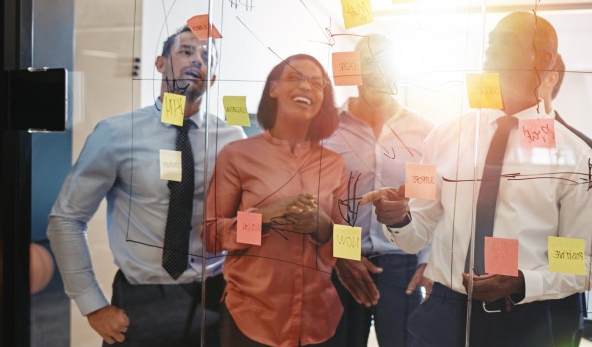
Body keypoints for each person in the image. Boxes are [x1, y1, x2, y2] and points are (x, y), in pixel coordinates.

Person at [371, 11, 592, 347]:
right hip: (442, 314)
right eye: (489, 42)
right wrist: (399, 219)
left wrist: (523, 282)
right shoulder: (444, 136)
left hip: (524, 321)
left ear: (544, 59)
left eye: (505, 41)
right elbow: (415, 236)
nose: (489, 51)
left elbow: (586, 263)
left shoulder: (574, 154)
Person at [46, 25, 243, 346]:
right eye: (186, 51)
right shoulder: (117, 134)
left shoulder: (232, 140)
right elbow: (66, 219)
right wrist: (92, 305)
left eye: (207, 56)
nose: (198, 60)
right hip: (141, 300)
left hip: (217, 296)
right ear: (160, 63)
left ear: (214, 78)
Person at [204, 54, 345, 347]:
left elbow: (349, 247)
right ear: (274, 89)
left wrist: (325, 228)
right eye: (296, 78)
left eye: (318, 84)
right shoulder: (237, 154)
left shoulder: (334, 164)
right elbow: (211, 236)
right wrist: (263, 218)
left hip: (319, 321)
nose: (307, 87)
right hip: (251, 320)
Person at [323, 34, 434, 347]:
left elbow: (428, 202)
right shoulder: (327, 127)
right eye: (369, 64)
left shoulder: (424, 131)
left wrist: (429, 260)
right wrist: (344, 253)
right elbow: (320, 197)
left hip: (401, 265)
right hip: (339, 262)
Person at [535, 56, 592, 347]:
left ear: (551, 77)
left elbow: (580, 242)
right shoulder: (481, 143)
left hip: (554, 305)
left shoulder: (582, 149)